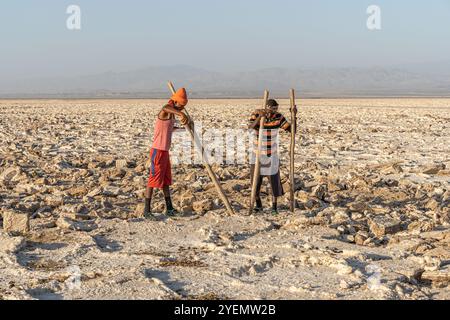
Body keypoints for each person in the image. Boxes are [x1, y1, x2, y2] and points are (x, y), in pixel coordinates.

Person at [143, 88, 189, 219]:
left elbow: (169, 128)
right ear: (175, 101)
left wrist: (185, 128)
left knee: (165, 181)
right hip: (157, 151)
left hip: (165, 151)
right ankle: (146, 211)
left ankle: (169, 209)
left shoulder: (173, 113)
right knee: (153, 180)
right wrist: (181, 115)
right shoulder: (166, 110)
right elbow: (165, 107)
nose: (182, 108)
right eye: (181, 105)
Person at [248, 99, 294, 215]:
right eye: (273, 109)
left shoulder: (278, 117)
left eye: (276, 109)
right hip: (257, 154)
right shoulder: (256, 114)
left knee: (274, 182)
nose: (275, 111)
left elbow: (292, 130)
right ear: (267, 107)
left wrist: (294, 116)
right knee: (255, 182)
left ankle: (274, 208)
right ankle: (258, 206)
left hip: (271, 154)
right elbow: (250, 127)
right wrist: (260, 117)